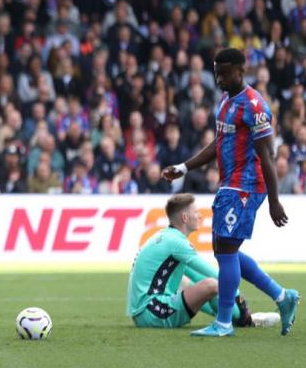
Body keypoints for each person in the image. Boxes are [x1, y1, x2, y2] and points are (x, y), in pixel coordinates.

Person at [162, 48, 300, 337]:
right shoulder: (225, 102)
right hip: (230, 184)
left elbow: (268, 155)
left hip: (247, 186)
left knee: (225, 250)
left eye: (225, 74)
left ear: (241, 71)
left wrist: (275, 201)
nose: (220, 79)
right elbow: (218, 143)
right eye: (216, 73)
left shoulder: (255, 106)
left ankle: (224, 323)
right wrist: (184, 168)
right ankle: (282, 296)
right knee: (226, 251)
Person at [127, 193, 255, 329]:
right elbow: (214, 274)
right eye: (196, 212)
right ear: (185, 218)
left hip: (142, 313)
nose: (200, 216)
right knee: (212, 284)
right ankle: (239, 318)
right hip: (153, 313)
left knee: (189, 282)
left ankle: (236, 318)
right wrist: (240, 300)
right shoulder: (178, 243)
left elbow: (196, 278)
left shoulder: (165, 236)